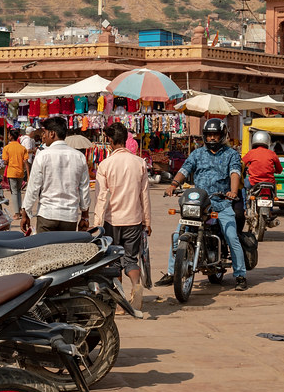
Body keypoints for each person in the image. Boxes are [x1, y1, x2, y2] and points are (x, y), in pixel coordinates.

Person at [156, 118, 248, 291]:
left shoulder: (231, 154)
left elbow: (235, 173)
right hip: (199, 202)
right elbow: (185, 169)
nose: (212, 138)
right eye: (209, 135)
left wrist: (233, 192)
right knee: (178, 235)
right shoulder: (197, 153)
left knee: (232, 236)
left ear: (222, 136)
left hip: (221, 203)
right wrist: (173, 185)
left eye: (215, 135)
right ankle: (171, 272)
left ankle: (240, 275)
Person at [92, 122, 151, 311]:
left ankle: (120, 301)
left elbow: (101, 197)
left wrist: (96, 223)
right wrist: (147, 221)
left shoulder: (105, 165)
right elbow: (145, 195)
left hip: (111, 220)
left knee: (114, 260)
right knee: (131, 260)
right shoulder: (139, 162)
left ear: (109, 140)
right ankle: (136, 286)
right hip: (134, 219)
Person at [20, 116, 90, 233]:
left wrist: (25, 212)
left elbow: (33, 187)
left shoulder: (42, 155)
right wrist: (85, 216)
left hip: (47, 215)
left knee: (44, 250)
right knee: (66, 251)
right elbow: (84, 189)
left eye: (45, 133)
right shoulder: (79, 157)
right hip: (69, 216)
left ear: (52, 134)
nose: (43, 136)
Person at [2, 129, 30, 219]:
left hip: (12, 172)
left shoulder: (7, 148)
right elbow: (26, 161)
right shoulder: (22, 148)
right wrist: (28, 174)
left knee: (14, 192)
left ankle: (17, 213)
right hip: (20, 172)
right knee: (18, 191)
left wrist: (8, 161)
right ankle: (20, 210)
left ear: (11, 136)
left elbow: (5, 162)